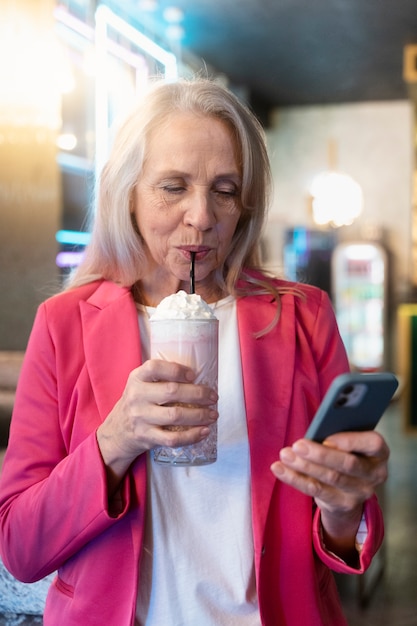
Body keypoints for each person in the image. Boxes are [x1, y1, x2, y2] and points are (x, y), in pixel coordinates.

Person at [0, 77, 389, 626]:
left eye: (225, 190)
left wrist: (344, 506)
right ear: (127, 192)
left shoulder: (303, 317)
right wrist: (115, 440)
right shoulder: (64, 325)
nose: (202, 216)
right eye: (173, 186)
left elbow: (340, 540)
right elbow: (20, 547)